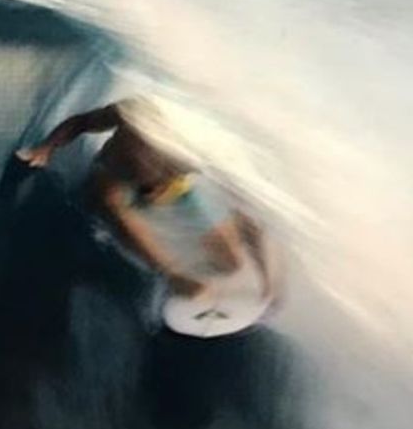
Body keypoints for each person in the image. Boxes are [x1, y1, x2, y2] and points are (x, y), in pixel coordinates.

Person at [16, 97, 280, 307]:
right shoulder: (131, 113)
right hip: (114, 185)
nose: (141, 154)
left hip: (171, 192)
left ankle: (194, 272)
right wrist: (46, 148)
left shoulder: (191, 153)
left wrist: (268, 278)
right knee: (107, 200)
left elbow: (248, 218)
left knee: (231, 263)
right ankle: (173, 275)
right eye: (138, 144)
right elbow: (81, 123)